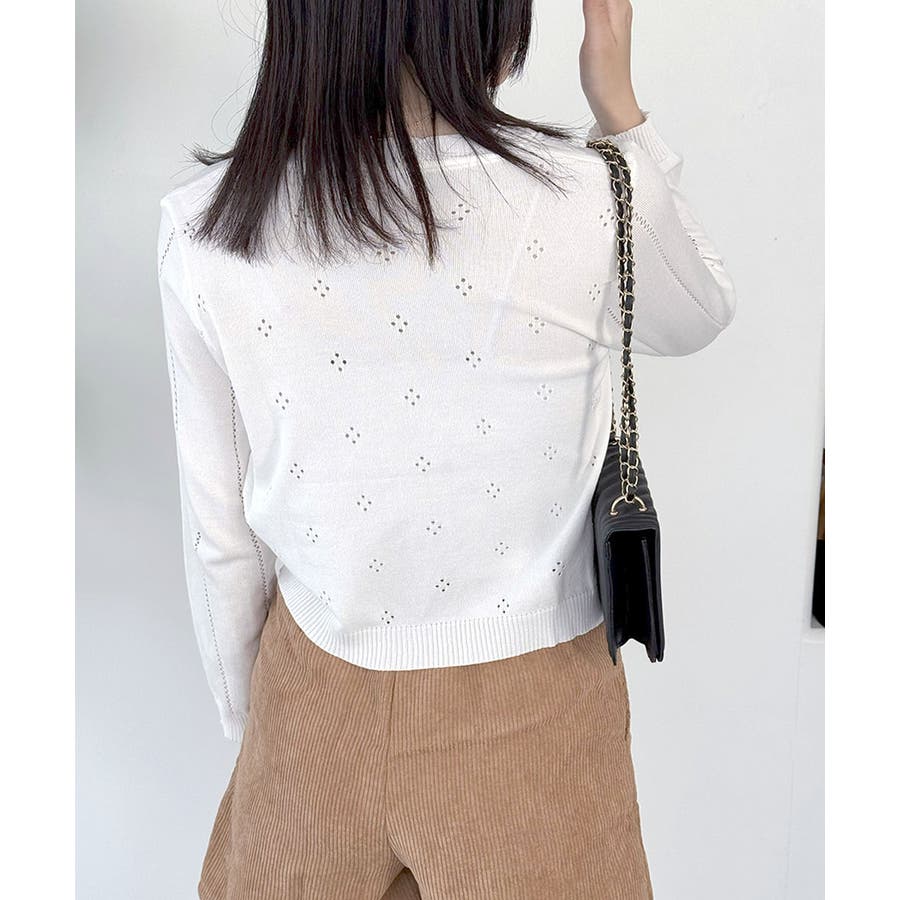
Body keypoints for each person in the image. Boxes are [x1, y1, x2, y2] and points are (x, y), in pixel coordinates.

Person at [156, 0, 737, 897]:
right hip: (536, 711)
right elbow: (695, 314)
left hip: (312, 694)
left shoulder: (210, 226)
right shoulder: (584, 197)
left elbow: (222, 539)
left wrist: (260, 725)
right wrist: (619, 110)